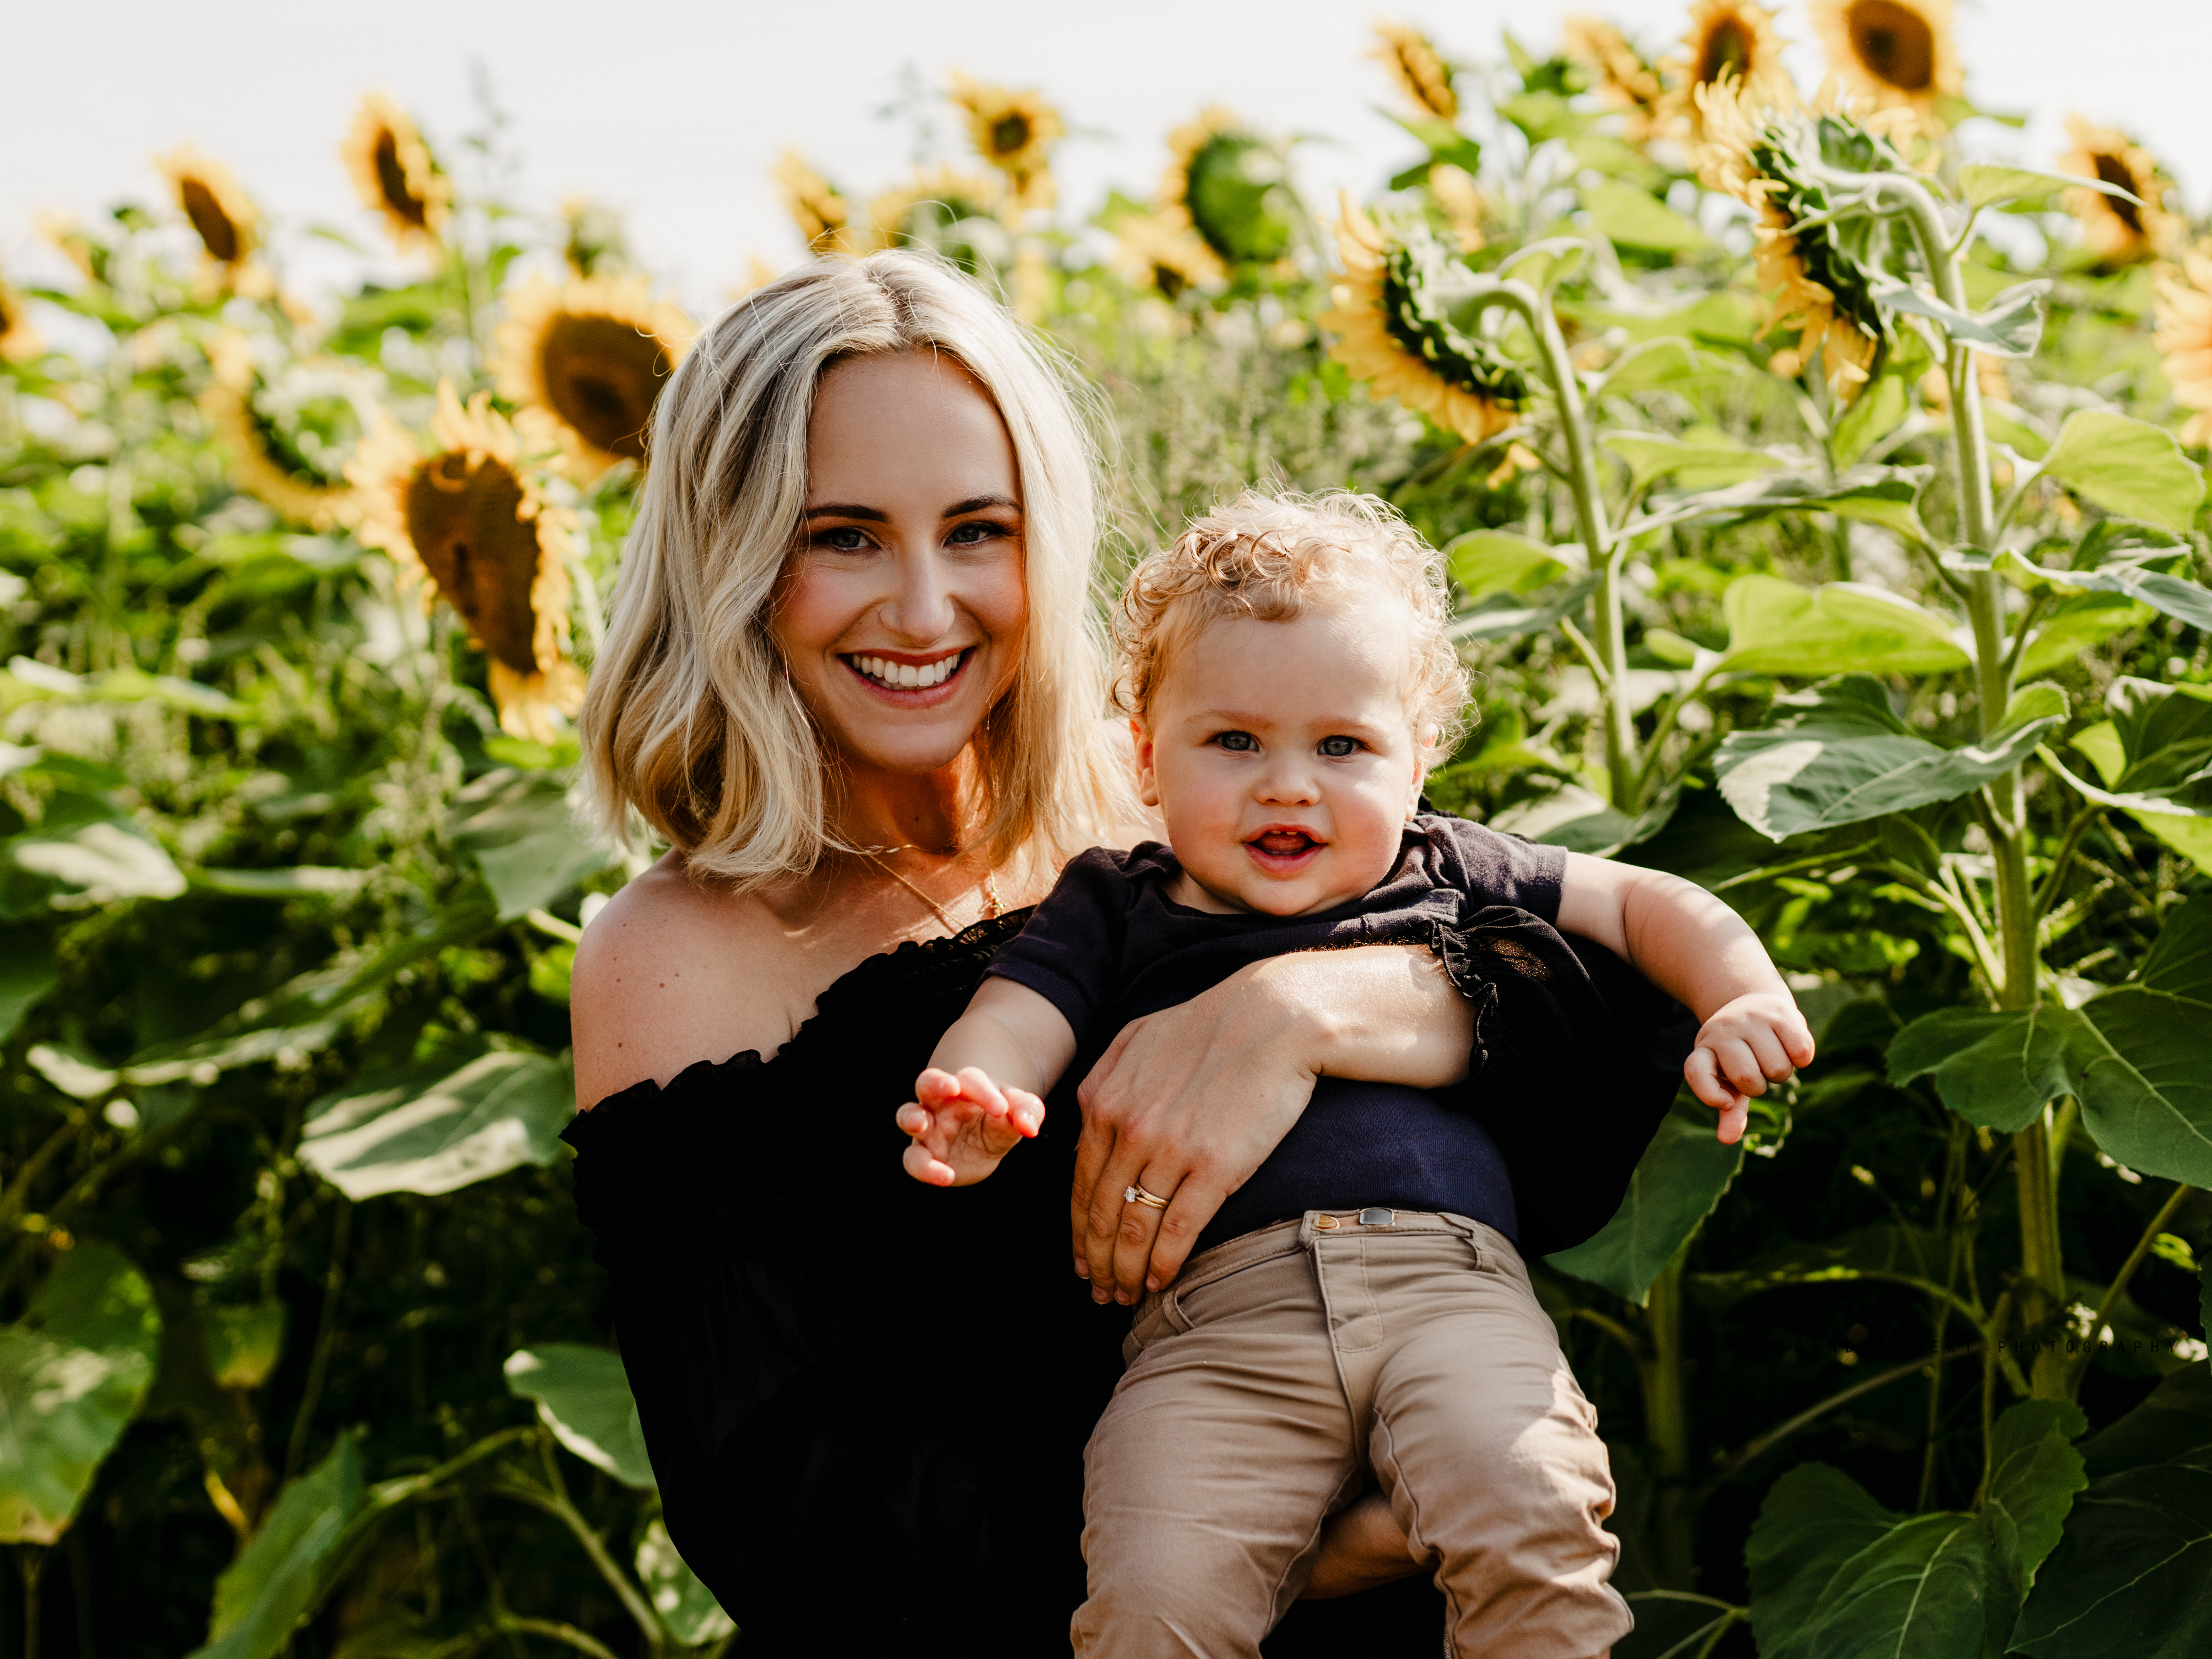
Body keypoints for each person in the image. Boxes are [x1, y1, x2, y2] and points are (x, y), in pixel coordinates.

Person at [565, 251, 1711, 1656]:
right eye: (843, 536)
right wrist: (1290, 1545)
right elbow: (793, 1521)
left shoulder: (1193, 791)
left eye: (977, 530)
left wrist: (1311, 1009)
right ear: (730, 556)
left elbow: (1596, 1088)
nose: (925, 610)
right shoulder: (679, 955)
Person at [898, 491, 1812, 1655]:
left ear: (1419, 757)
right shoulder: (1115, 902)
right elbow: (1016, 1012)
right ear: (1144, 754)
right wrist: (977, 1090)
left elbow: (1640, 898)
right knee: (1154, 1590)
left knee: (1531, 1505)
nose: (1290, 783)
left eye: (1343, 744)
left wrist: (1739, 991)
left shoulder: (1447, 866)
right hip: (1209, 1333)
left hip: (1451, 1290)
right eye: (1234, 740)